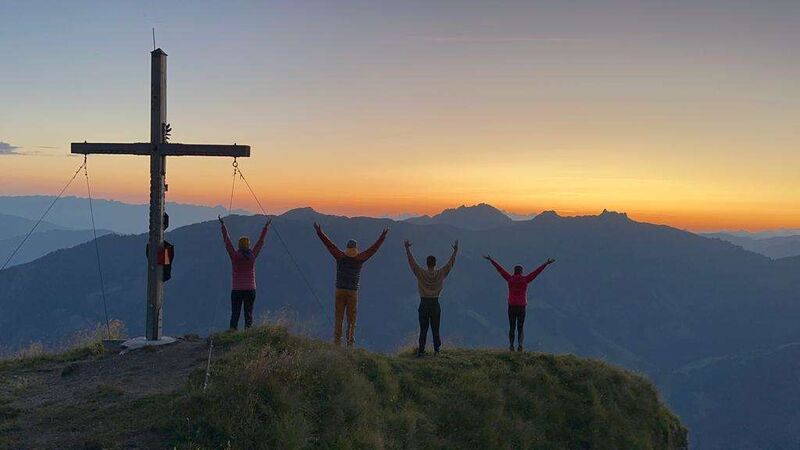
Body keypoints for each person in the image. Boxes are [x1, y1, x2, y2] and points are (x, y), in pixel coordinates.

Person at [314, 222, 388, 347]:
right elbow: (373, 249)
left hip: (340, 290)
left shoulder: (340, 256)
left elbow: (329, 245)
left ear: (347, 248)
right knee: (351, 319)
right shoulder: (360, 258)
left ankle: (337, 342)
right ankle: (350, 343)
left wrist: (320, 232)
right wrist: (382, 237)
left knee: (339, 317)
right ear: (355, 249)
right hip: (353, 292)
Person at [484, 255, 555, 352]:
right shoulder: (525, 280)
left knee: (512, 326)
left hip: (512, 306)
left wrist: (491, 260)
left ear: (514, 271)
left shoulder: (510, 279)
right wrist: (546, 264)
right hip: (521, 307)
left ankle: (511, 346)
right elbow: (536, 272)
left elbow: (500, 270)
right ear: (521, 272)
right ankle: (520, 346)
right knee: (520, 327)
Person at [405, 239, 458, 357]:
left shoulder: (421, 273)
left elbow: (412, 263)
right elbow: (450, 264)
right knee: (435, 328)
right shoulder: (440, 273)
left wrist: (407, 249)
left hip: (423, 303)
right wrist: (455, 251)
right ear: (435, 263)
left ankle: (421, 351)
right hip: (435, 303)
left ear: (426, 263)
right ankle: (437, 350)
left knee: (423, 329)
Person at [219, 215, 271, 330]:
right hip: (250, 289)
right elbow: (260, 242)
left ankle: (232, 333)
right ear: (248, 245)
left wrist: (223, 225)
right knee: (248, 314)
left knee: (235, 313)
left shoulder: (235, 256)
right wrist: (266, 228)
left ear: (239, 245)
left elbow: (227, 242)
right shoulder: (252, 256)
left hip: (237, 289)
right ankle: (248, 334)